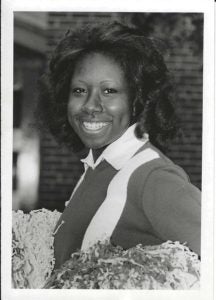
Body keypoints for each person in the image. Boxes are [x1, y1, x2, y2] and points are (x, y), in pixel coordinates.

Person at [39, 21, 201, 269]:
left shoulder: (153, 178)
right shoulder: (95, 168)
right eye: (80, 90)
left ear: (138, 100)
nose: (91, 105)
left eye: (110, 91)